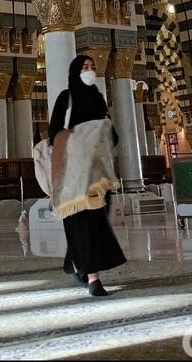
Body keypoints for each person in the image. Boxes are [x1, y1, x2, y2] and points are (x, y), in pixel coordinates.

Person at [47, 54, 126, 297]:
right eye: (85, 67)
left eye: (92, 66)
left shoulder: (98, 98)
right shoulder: (66, 98)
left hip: (99, 173)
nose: (89, 70)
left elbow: (112, 136)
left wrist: (103, 133)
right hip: (74, 176)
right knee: (87, 223)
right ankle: (94, 279)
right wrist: (78, 137)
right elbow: (54, 133)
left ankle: (77, 265)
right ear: (75, 71)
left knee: (95, 223)